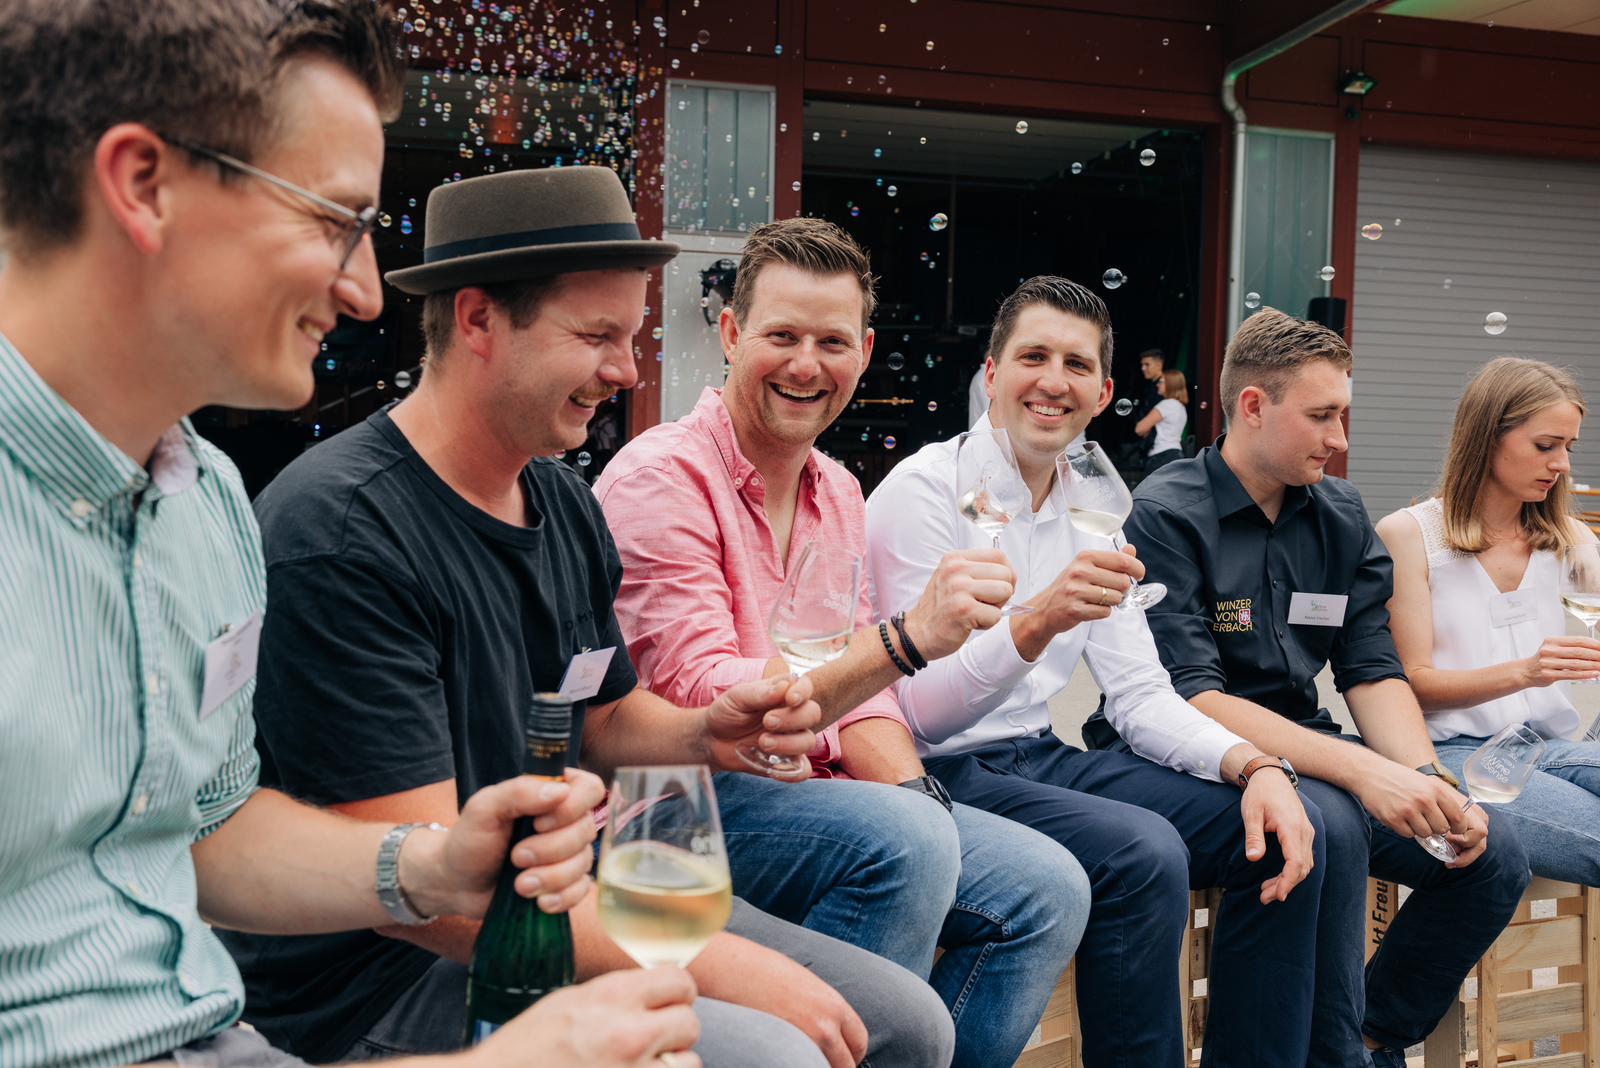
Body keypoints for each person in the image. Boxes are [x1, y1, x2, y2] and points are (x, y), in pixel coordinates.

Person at [0, 3, 702, 1067]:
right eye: (334, 219)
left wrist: (430, 865)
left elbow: (212, 826)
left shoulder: (207, 502)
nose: (366, 291)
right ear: (144, 184)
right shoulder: (330, 520)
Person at [223, 167, 952, 1068]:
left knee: (911, 1024)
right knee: (782, 1050)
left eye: (633, 337)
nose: (627, 370)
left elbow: (600, 720)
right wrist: (718, 965)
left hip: (588, 880)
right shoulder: (343, 534)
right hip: (389, 979)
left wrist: (704, 732)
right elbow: (426, 896)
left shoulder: (561, 501)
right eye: (598, 336)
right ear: (478, 320)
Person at [595, 221, 1089, 1068]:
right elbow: (708, 698)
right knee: (902, 841)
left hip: (813, 797)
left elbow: (865, 698)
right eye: (782, 336)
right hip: (679, 804)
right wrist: (906, 640)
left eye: (831, 342)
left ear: (863, 352)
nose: (806, 365)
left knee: (1047, 887)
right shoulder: (661, 476)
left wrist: (917, 793)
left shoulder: (839, 489)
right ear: (730, 333)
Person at [864, 276, 1325, 1068]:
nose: (1054, 381)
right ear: (991, 374)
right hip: (935, 769)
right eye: (1033, 357)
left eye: (1077, 365)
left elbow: (1140, 695)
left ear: (1104, 392)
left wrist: (1255, 765)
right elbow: (919, 713)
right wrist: (1037, 622)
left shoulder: (1092, 508)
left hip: (1037, 755)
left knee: (1280, 827)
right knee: (1143, 852)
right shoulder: (925, 491)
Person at [1122, 307, 1532, 1068]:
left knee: (1489, 851)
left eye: (1343, 414)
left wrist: (1422, 777)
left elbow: (1371, 668)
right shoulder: (1166, 513)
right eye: (1321, 416)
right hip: (1193, 752)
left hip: (1309, 749)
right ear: (1253, 406)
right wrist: (1364, 773)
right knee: (1334, 820)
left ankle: (1369, 1040)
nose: (1340, 438)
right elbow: (1189, 697)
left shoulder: (1341, 514)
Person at [1378, 356, 1600, 884]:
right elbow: (1412, 685)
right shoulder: (1410, 536)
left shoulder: (1567, 538)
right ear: (1487, 437)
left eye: (1568, 448)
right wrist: (1526, 672)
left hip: (1551, 746)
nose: (1561, 465)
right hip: (1459, 755)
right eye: (1545, 446)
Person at [1136, 368, 1188, 475]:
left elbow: (1139, 429)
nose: (1157, 385)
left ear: (1170, 384)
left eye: (1161, 382)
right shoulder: (1181, 407)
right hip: (1176, 454)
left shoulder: (1166, 404)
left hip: (1161, 456)